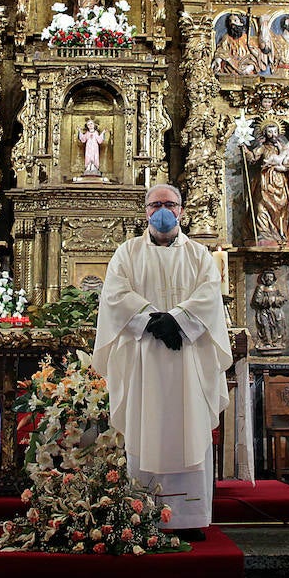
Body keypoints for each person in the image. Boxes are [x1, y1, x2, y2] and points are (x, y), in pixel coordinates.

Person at [94, 184, 232, 541]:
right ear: (145, 211)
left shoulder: (199, 254)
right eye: (155, 204)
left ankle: (188, 517)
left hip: (188, 358)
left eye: (169, 204)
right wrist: (152, 321)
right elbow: (115, 295)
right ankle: (144, 515)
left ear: (182, 211)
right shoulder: (127, 253)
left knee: (190, 432)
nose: (163, 210)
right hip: (144, 359)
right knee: (146, 431)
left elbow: (209, 294)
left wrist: (179, 321)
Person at [243, 123, 289, 247]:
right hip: (265, 182)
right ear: (265, 133)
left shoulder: (284, 147)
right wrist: (244, 148)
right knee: (261, 207)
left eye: (275, 132)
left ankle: (281, 234)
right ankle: (264, 235)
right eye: (269, 132)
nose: (273, 135)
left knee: (281, 209)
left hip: (281, 182)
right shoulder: (263, 148)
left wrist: (285, 168)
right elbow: (253, 158)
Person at [251, 267, 286, 351]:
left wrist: (275, 299)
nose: (269, 279)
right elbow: (256, 300)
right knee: (265, 326)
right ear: (264, 278)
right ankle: (267, 342)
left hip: (275, 311)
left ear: (273, 278)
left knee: (278, 326)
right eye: (267, 277)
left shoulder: (276, 288)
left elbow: (283, 298)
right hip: (264, 311)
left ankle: (277, 342)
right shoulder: (260, 288)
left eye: (270, 277)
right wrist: (268, 300)